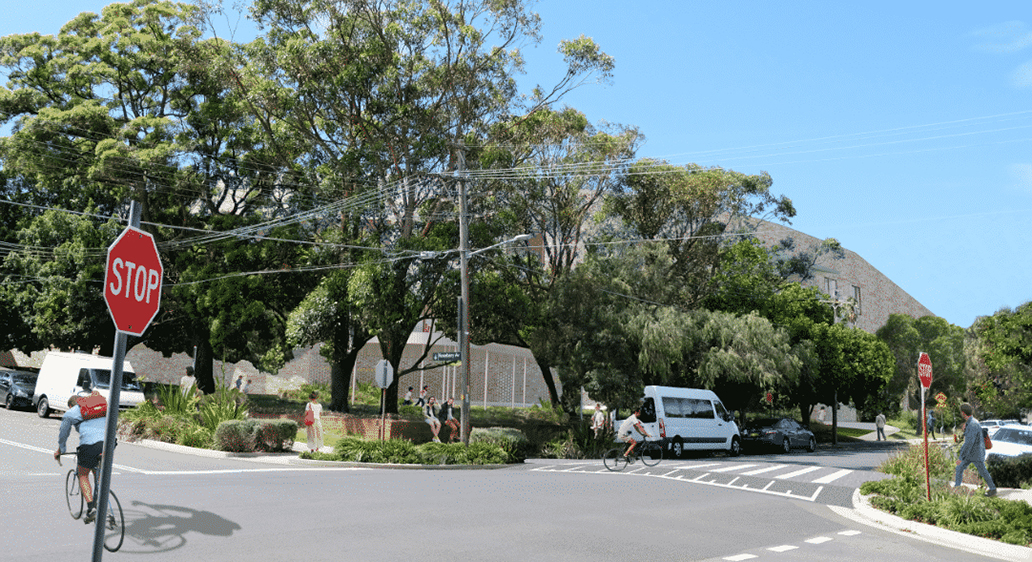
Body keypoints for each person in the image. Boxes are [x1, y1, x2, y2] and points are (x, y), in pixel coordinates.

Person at [53, 394, 107, 524]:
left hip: (90, 445)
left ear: (72, 405)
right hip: (109, 443)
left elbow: (63, 435)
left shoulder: (70, 413)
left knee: (83, 474)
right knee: (98, 471)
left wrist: (61, 450)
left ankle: (91, 508)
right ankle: (99, 499)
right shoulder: (98, 406)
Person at [954, 403, 996, 497]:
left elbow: (969, 443)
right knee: (960, 468)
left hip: (975, 453)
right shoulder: (972, 422)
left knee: (982, 471)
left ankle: (993, 489)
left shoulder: (972, 424)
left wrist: (961, 457)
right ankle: (957, 488)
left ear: (963, 413)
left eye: (961, 412)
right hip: (974, 453)